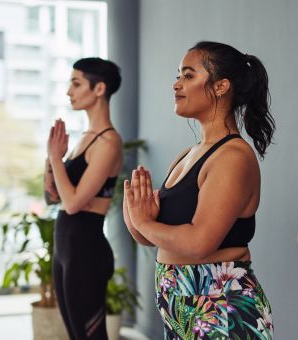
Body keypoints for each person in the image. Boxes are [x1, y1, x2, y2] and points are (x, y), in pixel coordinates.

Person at [123, 41, 275, 339]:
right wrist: (137, 216)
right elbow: (153, 238)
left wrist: (145, 223)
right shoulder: (188, 154)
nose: (176, 84)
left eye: (188, 76)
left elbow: (197, 243)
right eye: (178, 75)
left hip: (222, 309)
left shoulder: (232, 156)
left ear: (221, 86)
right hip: (180, 305)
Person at [44, 57, 123, 340]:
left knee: (91, 337)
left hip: (86, 252)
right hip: (66, 249)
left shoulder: (108, 142)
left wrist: (56, 158)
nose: (69, 91)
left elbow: (74, 203)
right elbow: (53, 198)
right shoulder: (84, 140)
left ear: (99, 88)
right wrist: (52, 157)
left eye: (76, 83)